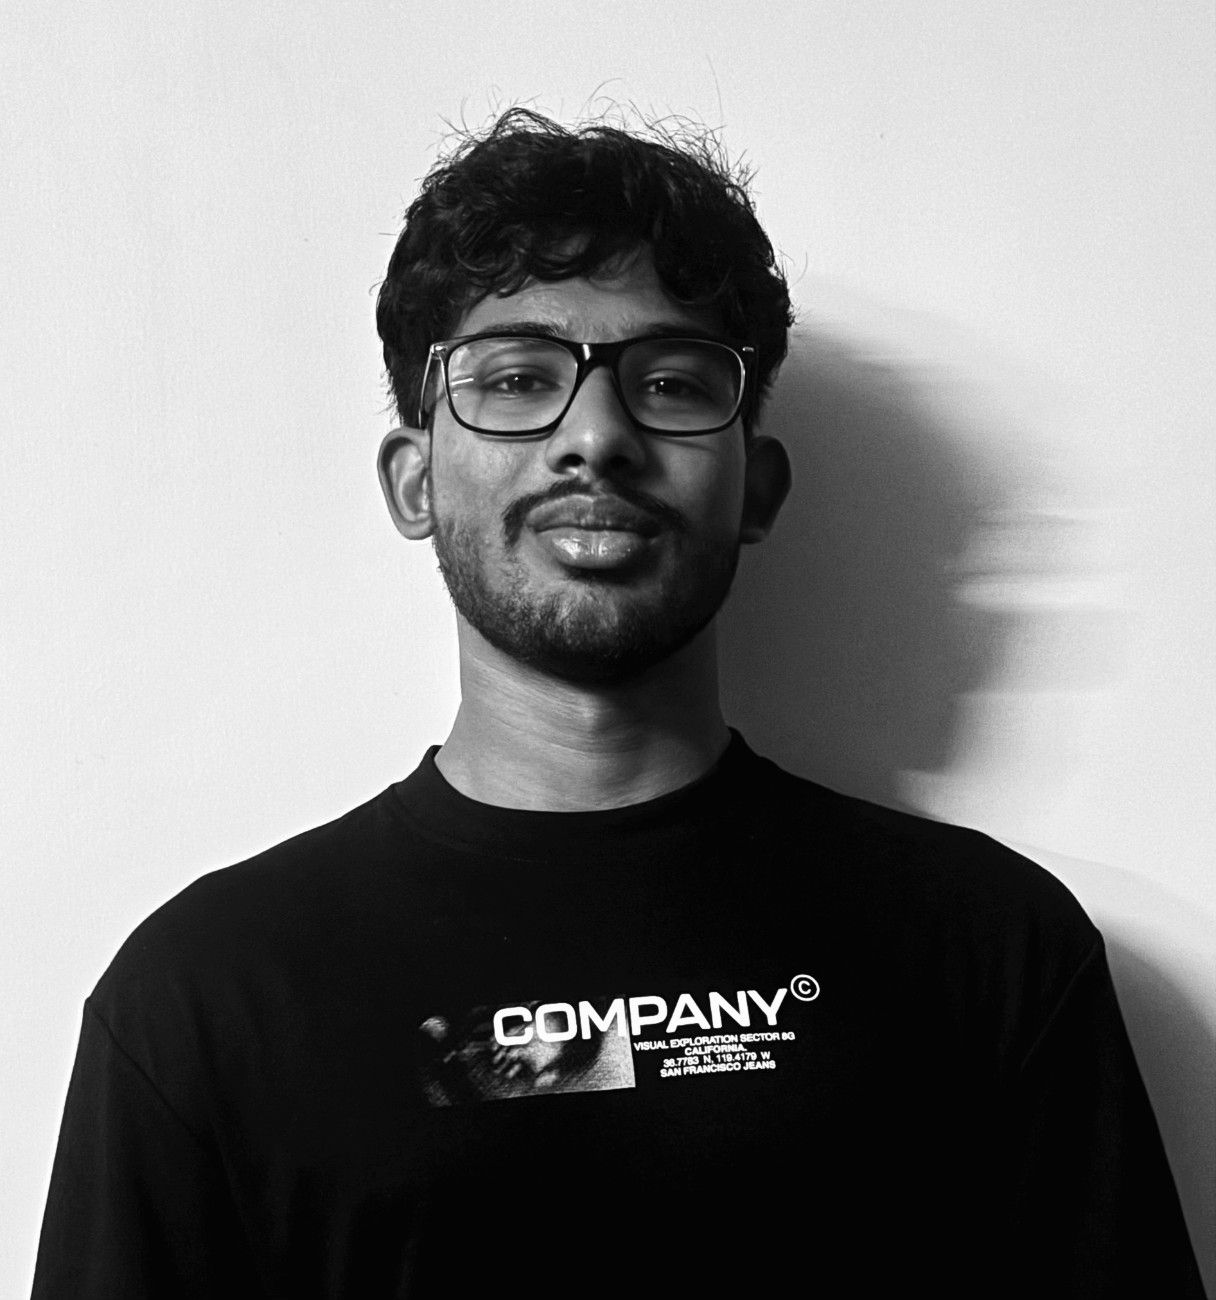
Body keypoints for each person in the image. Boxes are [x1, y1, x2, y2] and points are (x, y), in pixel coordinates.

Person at [32, 108, 1204, 1299]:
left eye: (671, 382)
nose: (596, 436)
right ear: (414, 480)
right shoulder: (206, 998)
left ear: (757, 485)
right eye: (518, 378)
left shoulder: (989, 950)